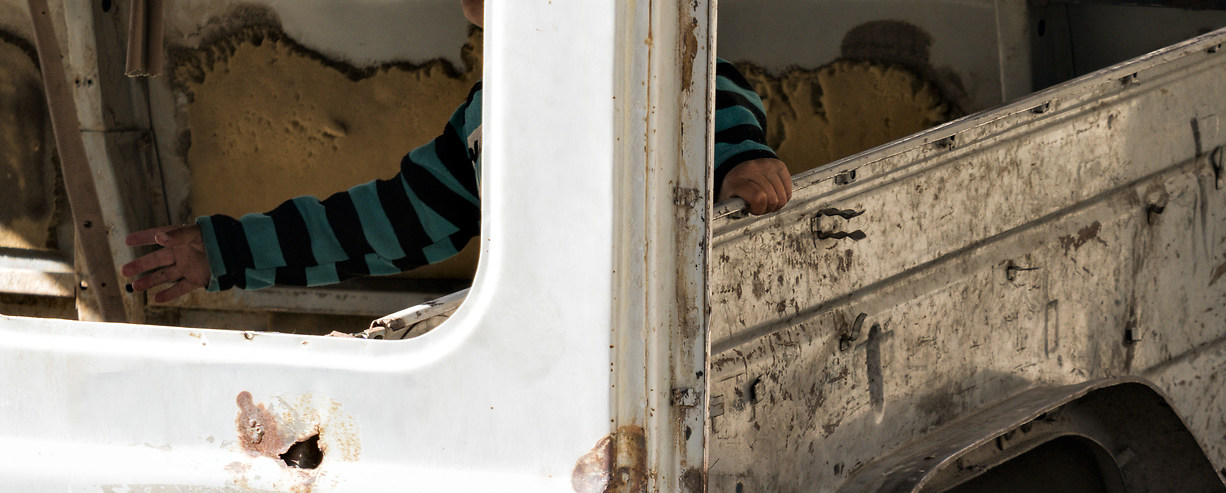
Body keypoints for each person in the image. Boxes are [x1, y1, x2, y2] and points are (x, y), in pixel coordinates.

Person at [120, 0, 794, 302]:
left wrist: (741, 164)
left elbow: (719, 110)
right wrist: (222, 252)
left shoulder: (666, 72)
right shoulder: (488, 115)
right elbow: (396, 222)